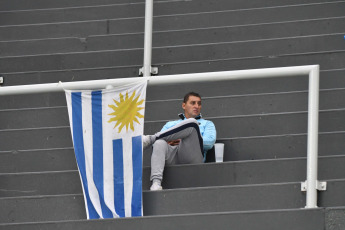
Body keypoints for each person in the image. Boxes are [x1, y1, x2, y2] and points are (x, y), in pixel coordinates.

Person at [143, 92, 217, 191]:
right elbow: (158, 147)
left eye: (199, 103)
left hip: (192, 156)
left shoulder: (207, 124)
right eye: (193, 103)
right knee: (159, 143)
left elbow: (209, 143)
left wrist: (185, 138)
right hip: (172, 156)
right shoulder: (170, 124)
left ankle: (150, 138)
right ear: (184, 105)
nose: (197, 106)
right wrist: (174, 138)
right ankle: (156, 183)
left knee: (192, 123)